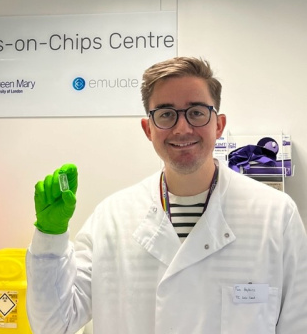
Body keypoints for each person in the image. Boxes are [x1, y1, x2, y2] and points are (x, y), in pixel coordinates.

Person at [26, 56, 307, 334]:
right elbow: (54, 324)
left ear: (219, 125)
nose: (182, 128)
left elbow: (298, 323)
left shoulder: (275, 215)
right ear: (148, 129)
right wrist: (49, 237)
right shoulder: (111, 219)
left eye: (196, 112)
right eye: (165, 114)